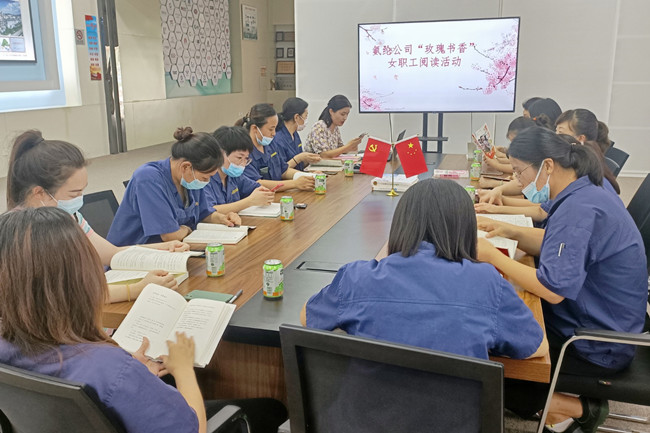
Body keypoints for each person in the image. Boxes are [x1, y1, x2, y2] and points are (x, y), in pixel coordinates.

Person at [0, 207, 288, 433]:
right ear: (82, 281)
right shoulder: (111, 369)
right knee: (271, 408)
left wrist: (131, 374)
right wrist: (183, 369)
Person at [476, 127, 647, 432]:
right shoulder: (582, 191)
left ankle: (576, 408)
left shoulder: (579, 209)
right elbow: (556, 244)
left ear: (548, 165)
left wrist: (493, 256)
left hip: (593, 343)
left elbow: (552, 288)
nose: (518, 181)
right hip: (603, 319)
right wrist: (510, 230)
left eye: (519, 172)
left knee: (483, 356)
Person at [302, 178, 547, 361]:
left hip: (366, 411)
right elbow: (538, 347)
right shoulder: (486, 282)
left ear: (400, 225)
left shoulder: (357, 277)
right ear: (465, 229)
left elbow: (307, 318)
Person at [5, 130, 186, 303]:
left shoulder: (70, 216)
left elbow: (111, 253)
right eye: (74, 194)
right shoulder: (21, 236)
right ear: (40, 193)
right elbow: (67, 296)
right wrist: (136, 289)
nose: (80, 199)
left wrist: (164, 248)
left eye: (82, 191)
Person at [107, 127, 240, 246]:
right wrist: (187, 230)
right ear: (185, 167)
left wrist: (222, 219)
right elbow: (169, 235)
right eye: (205, 178)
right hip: (135, 256)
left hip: (174, 250)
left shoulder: (189, 180)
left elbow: (204, 214)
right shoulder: (148, 179)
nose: (207, 181)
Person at [237, 103, 315, 192]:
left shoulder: (271, 145)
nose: (274, 133)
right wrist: (294, 183)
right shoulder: (243, 152)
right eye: (271, 129)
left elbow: (284, 170)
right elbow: (257, 183)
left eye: (275, 129)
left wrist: (309, 177)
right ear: (255, 128)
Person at [203, 126, 275, 214]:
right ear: (220, 154)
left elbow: (255, 187)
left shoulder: (234, 176)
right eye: (239, 158)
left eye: (246, 159)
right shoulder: (204, 178)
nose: (243, 164)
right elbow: (209, 211)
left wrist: (265, 193)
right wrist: (249, 201)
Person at [273, 97, 321, 171]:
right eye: (305, 116)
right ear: (296, 117)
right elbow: (281, 170)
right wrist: (299, 158)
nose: (306, 120)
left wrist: (309, 159)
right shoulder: (278, 138)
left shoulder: (295, 134)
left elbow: (300, 165)